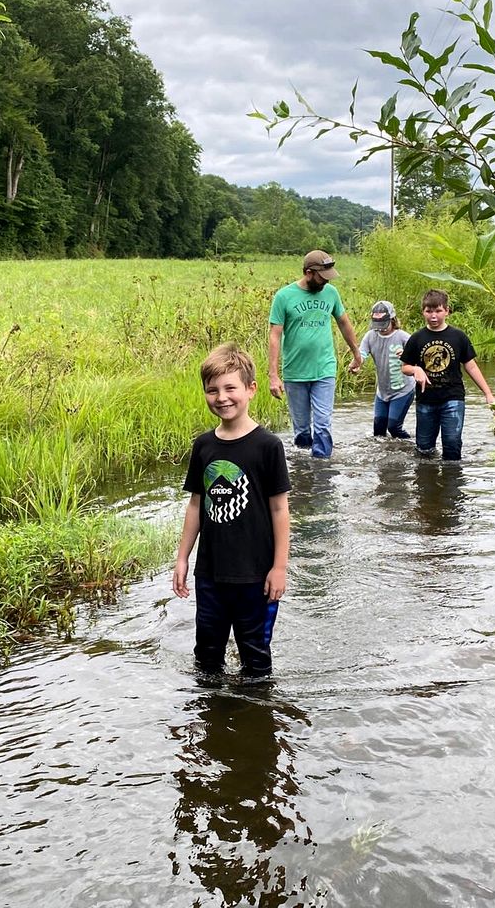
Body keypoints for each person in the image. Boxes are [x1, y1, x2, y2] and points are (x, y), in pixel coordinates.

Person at [174, 343, 291, 677]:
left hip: (255, 574)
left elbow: (280, 509)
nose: (221, 397)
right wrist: (183, 558)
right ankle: (212, 718)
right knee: (206, 658)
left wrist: (279, 567)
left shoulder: (268, 446)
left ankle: (252, 719)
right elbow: (196, 503)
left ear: (251, 390)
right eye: (212, 390)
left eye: (230, 388)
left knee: (255, 660)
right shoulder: (204, 445)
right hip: (210, 572)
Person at [268, 249, 363, 458]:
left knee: (322, 424)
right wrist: (273, 375)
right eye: (322, 277)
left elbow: (343, 322)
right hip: (295, 372)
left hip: (325, 369)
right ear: (309, 272)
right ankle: (303, 474)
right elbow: (275, 335)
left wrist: (356, 353)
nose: (326, 282)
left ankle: (322, 476)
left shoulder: (331, 294)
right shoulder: (284, 297)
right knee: (302, 430)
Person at [400, 288, 495, 461]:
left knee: (452, 446)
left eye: (438, 311)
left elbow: (471, 366)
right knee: (424, 449)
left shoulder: (458, 337)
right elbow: (405, 367)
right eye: (429, 311)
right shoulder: (417, 338)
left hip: (453, 398)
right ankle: (427, 483)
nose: (433, 316)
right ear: (423, 312)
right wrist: (415, 369)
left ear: (447, 311)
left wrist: (488, 393)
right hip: (426, 400)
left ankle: (452, 484)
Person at [349, 300, 415, 439]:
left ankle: (410, 447)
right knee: (378, 430)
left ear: (392, 319)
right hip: (382, 391)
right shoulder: (370, 336)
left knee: (393, 427)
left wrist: (407, 356)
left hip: (403, 390)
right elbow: (362, 354)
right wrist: (356, 364)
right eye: (378, 325)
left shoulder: (403, 337)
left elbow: (419, 359)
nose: (381, 328)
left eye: (384, 324)